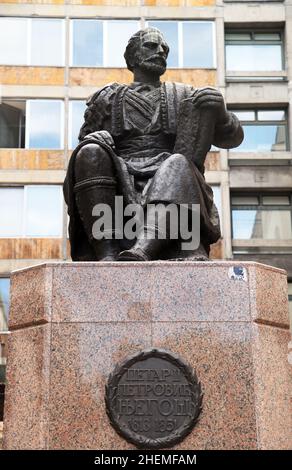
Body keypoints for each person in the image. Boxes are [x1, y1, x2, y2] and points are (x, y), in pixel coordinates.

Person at [64, 27, 243, 262]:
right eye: (151, 46)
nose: (160, 51)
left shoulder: (183, 94)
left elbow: (232, 138)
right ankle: (106, 251)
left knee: (177, 163)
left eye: (164, 49)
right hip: (120, 171)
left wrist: (221, 113)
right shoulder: (107, 97)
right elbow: (85, 139)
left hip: (170, 169)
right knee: (89, 153)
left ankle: (144, 249)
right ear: (132, 56)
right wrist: (93, 139)